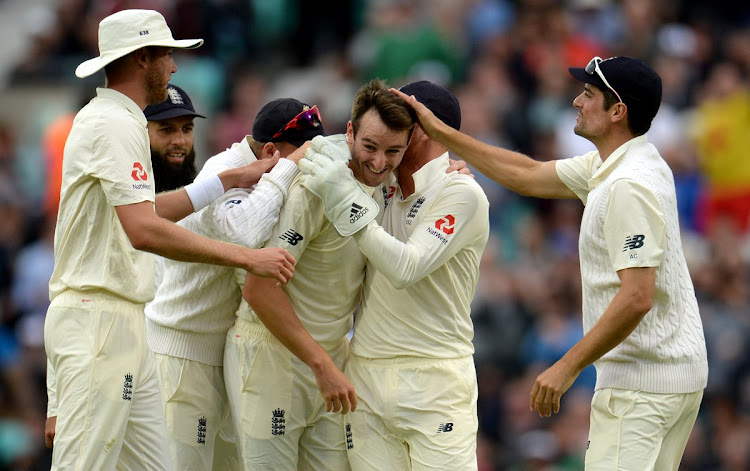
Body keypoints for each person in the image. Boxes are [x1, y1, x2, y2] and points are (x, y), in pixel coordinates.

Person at [393, 57, 709, 470]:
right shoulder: (625, 161)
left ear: (618, 112)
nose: (576, 101)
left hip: (642, 385)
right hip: (669, 374)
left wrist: (566, 366)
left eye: (589, 96)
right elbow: (527, 174)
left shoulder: (627, 186)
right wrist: (445, 134)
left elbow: (637, 297)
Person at [43, 9, 295, 470]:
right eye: (167, 55)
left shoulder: (119, 121)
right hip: (100, 320)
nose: (175, 66)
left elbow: (145, 212)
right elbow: (143, 231)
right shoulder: (114, 124)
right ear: (143, 58)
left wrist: (229, 180)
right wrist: (247, 257)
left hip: (124, 322)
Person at [299, 80, 490, 470]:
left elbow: (406, 267)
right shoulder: (379, 183)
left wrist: (346, 203)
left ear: (423, 129)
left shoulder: (461, 193)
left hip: (435, 381)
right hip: (366, 378)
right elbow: (345, 143)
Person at [226, 78, 415, 470]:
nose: (380, 162)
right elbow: (260, 291)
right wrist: (321, 365)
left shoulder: (391, 181)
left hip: (329, 359)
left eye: (393, 151)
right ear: (349, 132)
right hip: (272, 357)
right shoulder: (314, 183)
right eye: (369, 147)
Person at [145, 97, 326, 470]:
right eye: (304, 155)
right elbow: (242, 234)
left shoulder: (260, 165)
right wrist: (286, 171)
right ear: (273, 151)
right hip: (184, 355)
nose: (308, 166)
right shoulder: (224, 167)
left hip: (225, 355)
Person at [145, 83, 203, 192]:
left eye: (186, 129)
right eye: (166, 130)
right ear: (141, 131)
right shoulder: (123, 192)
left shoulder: (208, 198)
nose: (180, 141)